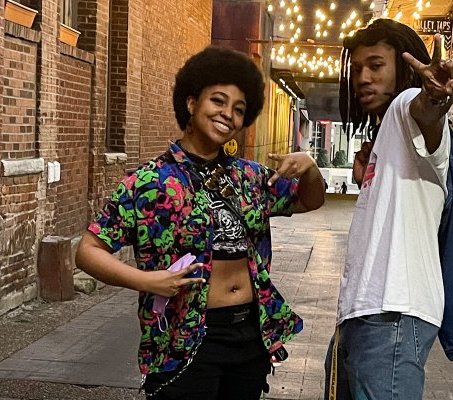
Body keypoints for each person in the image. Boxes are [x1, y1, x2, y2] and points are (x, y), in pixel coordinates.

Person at [75, 46, 325, 400]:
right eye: (218, 101)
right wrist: (147, 281)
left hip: (251, 336)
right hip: (186, 339)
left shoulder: (250, 177)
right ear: (191, 103)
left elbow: (310, 200)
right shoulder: (149, 182)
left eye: (238, 109)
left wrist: (310, 167)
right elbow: (88, 251)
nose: (228, 114)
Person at [324, 18, 453, 399]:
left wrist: (435, 95)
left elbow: (425, 109)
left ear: (403, 70)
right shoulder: (386, 135)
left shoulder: (406, 105)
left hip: (392, 314)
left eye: (376, 65)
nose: (363, 78)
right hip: (364, 314)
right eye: (357, 68)